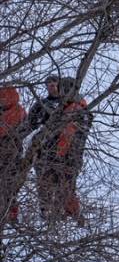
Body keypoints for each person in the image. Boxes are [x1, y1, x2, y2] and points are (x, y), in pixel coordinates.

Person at [36, 77, 92, 222]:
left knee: (55, 185)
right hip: (69, 157)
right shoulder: (80, 107)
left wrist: (52, 153)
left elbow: (67, 135)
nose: (57, 90)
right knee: (64, 187)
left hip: (63, 156)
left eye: (59, 87)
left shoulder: (74, 109)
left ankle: (63, 215)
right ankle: (67, 215)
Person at [0, 86, 27, 222]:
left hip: (11, 155)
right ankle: (10, 214)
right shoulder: (20, 111)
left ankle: (11, 214)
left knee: (9, 186)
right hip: (13, 154)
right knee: (10, 187)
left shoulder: (17, 112)